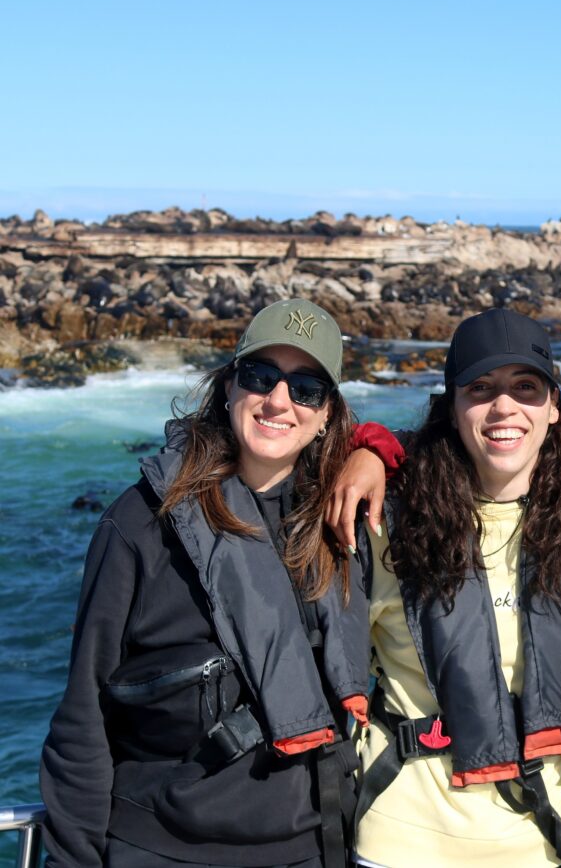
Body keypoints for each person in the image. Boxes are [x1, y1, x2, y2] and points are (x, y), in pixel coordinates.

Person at [40, 298, 391, 868]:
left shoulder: (347, 521)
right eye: (260, 376)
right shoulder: (138, 525)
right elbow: (82, 717)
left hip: (312, 847)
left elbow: (476, 444)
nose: (279, 401)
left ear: (328, 413)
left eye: (306, 389)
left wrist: (377, 449)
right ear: (228, 387)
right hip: (160, 847)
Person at [351, 308, 561, 867]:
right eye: (481, 388)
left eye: (526, 387)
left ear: (552, 408)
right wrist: (365, 447)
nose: (504, 407)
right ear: (451, 409)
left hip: (543, 843)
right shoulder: (385, 521)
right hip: (403, 841)